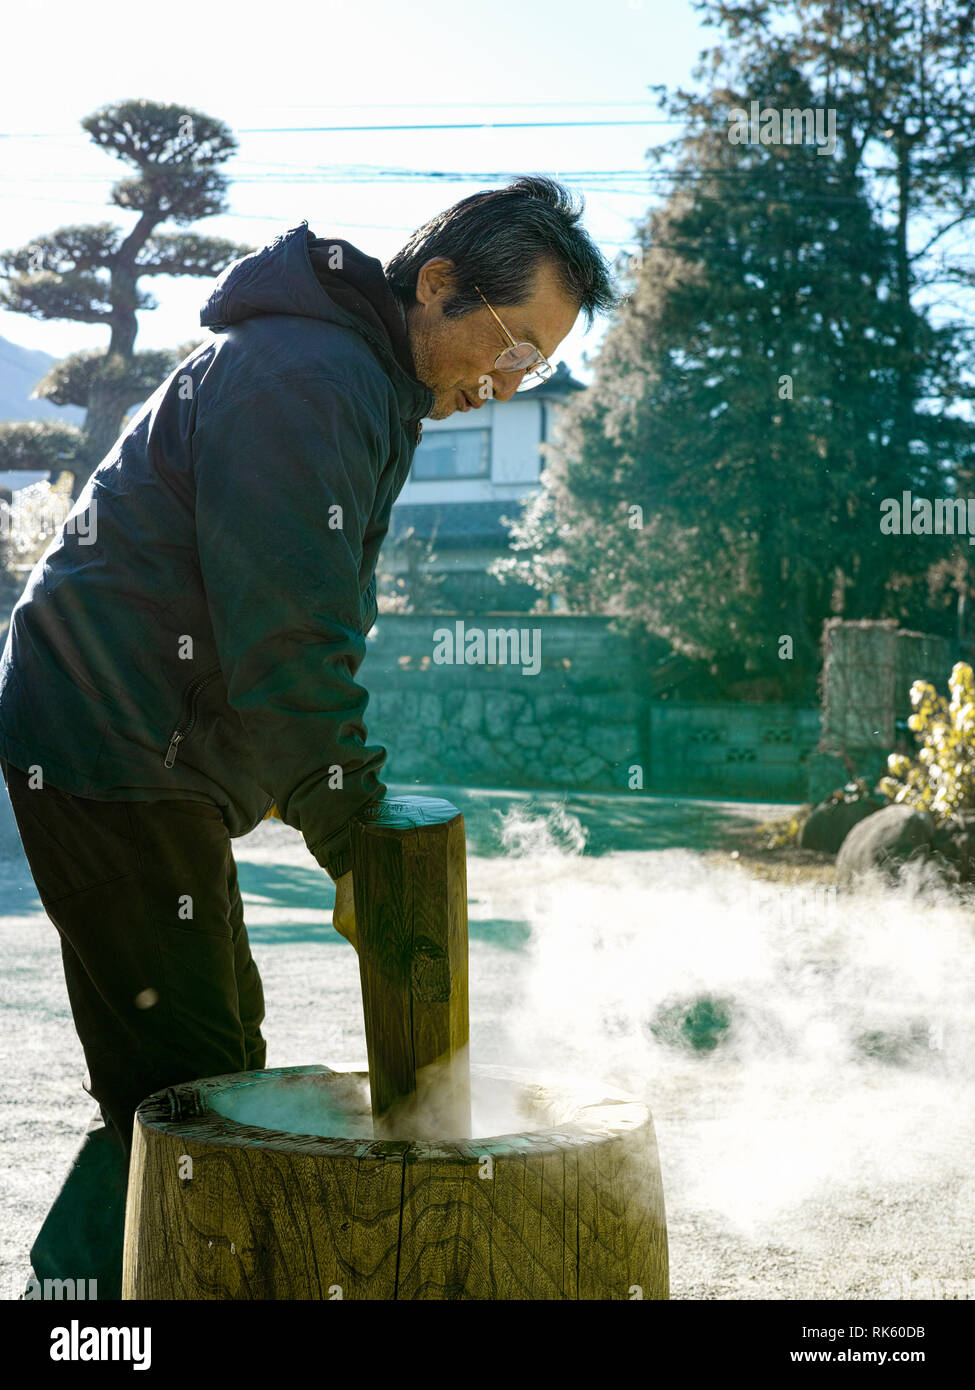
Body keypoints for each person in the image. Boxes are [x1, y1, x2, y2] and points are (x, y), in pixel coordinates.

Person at [0, 176, 617, 1298]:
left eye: (536, 364)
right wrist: (355, 839)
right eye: (514, 344)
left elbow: (290, 630)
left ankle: (85, 1291)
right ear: (438, 285)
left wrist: (331, 803)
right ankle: (76, 1304)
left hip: (144, 742)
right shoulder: (312, 377)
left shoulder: (360, 376)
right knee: (186, 1074)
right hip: (108, 734)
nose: (511, 378)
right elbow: (288, 636)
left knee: (207, 1056)